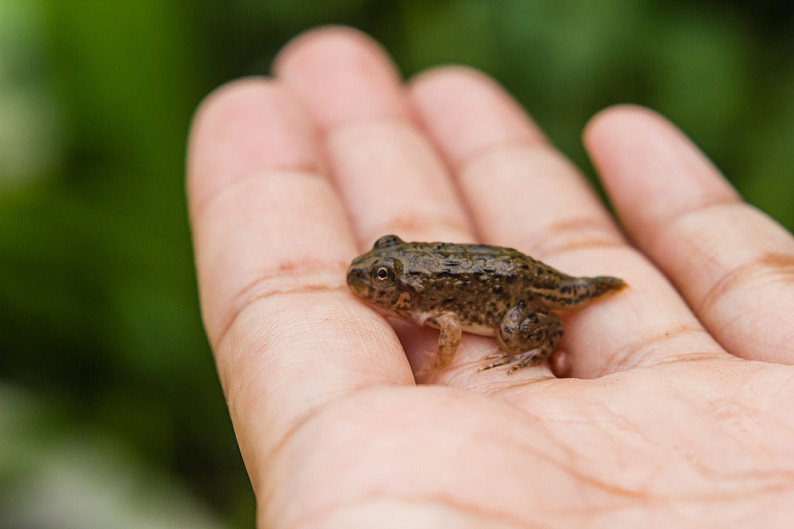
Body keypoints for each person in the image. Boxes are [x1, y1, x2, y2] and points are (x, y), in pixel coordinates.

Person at [186, 26, 794, 528]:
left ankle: (543, 340)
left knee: (514, 331)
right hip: (498, 264)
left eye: (385, 276)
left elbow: (449, 327)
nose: (373, 279)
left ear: (407, 288)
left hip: (511, 283)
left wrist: (437, 368)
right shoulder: (411, 289)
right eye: (382, 268)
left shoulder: (432, 305)